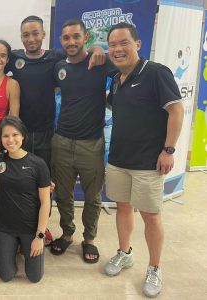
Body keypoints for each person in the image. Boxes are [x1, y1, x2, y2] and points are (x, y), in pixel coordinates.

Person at [0, 15, 105, 246]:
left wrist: (98, 47)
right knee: (14, 183)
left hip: (45, 134)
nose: (31, 39)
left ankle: (43, 228)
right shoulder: (15, 57)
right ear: (21, 37)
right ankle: (18, 227)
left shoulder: (58, 56)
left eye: (35, 33)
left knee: (43, 184)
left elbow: (80, 51)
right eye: (26, 34)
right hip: (16, 136)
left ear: (44, 35)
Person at [103, 23, 184, 298]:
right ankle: (124, 253)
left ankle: (154, 267)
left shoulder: (156, 72)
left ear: (137, 44)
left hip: (149, 162)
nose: (117, 49)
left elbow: (176, 111)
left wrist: (169, 150)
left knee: (151, 215)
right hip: (119, 159)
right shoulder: (116, 79)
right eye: (112, 45)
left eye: (123, 43)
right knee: (122, 207)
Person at [50, 19, 115, 263]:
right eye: (66, 38)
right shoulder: (58, 67)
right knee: (64, 194)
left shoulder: (100, 62)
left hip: (92, 144)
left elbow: (125, 67)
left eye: (76, 36)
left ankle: (89, 239)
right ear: (61, 41)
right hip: (62, 141)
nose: (71, 42)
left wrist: (101, 50)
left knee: (93, 196)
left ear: (85, 37)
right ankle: (67, 233)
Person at [0, 116, 51, 283]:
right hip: (4, 227)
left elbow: (46, 202)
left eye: (15, 135)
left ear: (23, 136)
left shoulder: (38, 164)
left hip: (30, 228)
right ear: (0, 139)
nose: (10, 140)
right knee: (6, 276)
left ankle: (23, 247)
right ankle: (14, 248)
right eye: (5, 136)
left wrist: (40, 236)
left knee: (34, 277)